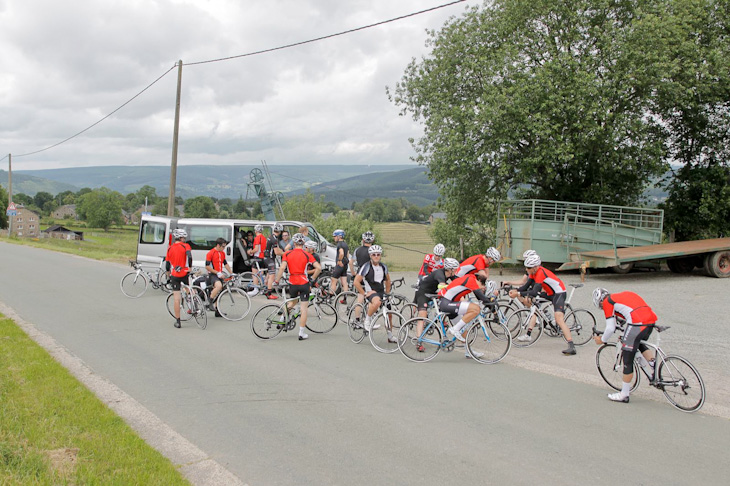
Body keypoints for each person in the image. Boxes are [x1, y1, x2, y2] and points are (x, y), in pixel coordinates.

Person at [592, 288, 658, 403]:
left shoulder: (608, 302)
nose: (603, 308)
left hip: (637, 324)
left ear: (600, 302)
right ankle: (653, 365)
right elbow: (628, 313)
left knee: (627, 359)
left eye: (601, 307)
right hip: (650, 320)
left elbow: (610, 328)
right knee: (637, 343)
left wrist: (602, 339)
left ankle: (624, 394)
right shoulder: (622, 295)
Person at [508, 254, 576, 355]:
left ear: (535, 267)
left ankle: (571, 346)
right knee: (532, 301)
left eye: (529, 268)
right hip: (550, 293)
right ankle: (542, 321)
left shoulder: (540, 273)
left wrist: (517, 293)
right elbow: (525, 287)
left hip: (559, 293)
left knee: (559, 319)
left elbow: (534, 292)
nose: (527, 269)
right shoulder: (533, 272)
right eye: (526, 267)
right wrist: (514, 289)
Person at [439, 272, 498, 357]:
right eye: (482, 285)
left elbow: (480, 298)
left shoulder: (471, 279)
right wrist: (493, 306)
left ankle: (468, 352)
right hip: (447, 303)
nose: (481, 288)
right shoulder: (472, 281)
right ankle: (455, 329)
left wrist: (494, 310)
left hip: (448, 302)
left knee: (463, 330)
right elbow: (482, 297)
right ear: (479, 280)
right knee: (476, 309)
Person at [275, 233, 321, 340]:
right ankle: (301, 333)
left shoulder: (287, 253)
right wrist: (312, 278)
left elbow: (282, 268)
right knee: (304, 309)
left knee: (292, 303)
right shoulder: (307, 255)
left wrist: (277, 280)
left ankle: (282, 319)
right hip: (304, 283)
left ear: (294, 243)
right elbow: (318, 268)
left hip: (292, 283)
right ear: (303, 243)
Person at [411, 257, 459, 352]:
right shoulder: (439, 273)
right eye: (455, 269)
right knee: (423, 316)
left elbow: (458, 281)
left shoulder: (449, 274)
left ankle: (441, 319)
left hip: (432, 293)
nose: (456, 271)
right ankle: (419, 341)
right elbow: (441, 285)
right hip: (422, 293)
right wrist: (451, 287)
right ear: (451, 269)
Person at [353, 245, 392, 339]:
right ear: (370, 255)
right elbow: (356, 282)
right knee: (377, 301)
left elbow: (388, 280)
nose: (376, 256)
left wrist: (387, 293)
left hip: (381, 291)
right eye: (373, 254)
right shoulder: (366, 266)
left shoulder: (383, 266)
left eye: (378, 254)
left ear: (380, 255)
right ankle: (367, 319)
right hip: (371, 291)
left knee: (389, 314)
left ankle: (390, 336)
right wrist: (364, 293)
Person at [166, 228, 192, 329]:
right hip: (185, 272)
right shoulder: (186, 246)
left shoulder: (170, 248)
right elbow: (190, 257)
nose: (185, 239)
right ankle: (194, 305)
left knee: (177, 299)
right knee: (190, 290)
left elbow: (168, 265)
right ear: (181, 238)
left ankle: (178, 321)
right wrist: (189, 267)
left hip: (175, 275)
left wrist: (168, 275)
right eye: (184, 237)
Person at [205, 237, 233, 311]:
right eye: (223, 246)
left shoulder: (222, 253)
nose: (224, 248)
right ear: (218, 245)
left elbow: (225, 264)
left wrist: (231, 273)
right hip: (213, 274)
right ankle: (209, 302)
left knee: (220, 292)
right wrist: (217, 272)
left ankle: (217, 310)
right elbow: (207, 266)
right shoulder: (211, 253)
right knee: (219, 286)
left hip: (219, 274)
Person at [263, 223, 284, 299]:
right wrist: (285, 253)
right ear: (280, 231)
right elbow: (277, 252)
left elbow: (277, 249)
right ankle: (269, 293)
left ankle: (265, 289)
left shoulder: (271, 237)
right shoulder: (274, 239)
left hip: (266, 258)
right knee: (272, 276)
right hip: (270, 259)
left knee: (268, 275)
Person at [327, 229, 350, 297]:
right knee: (344, 282)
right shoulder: (345, 244)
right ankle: (345, 297)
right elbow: (347, 254)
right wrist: (345, 261)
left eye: (335, 236)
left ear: (339, 237)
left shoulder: (339, 244)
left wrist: (339, 261)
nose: (334, 238)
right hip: (345, 265)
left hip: (339, 265)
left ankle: (330, 296)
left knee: (334, 280)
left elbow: (341, 253)